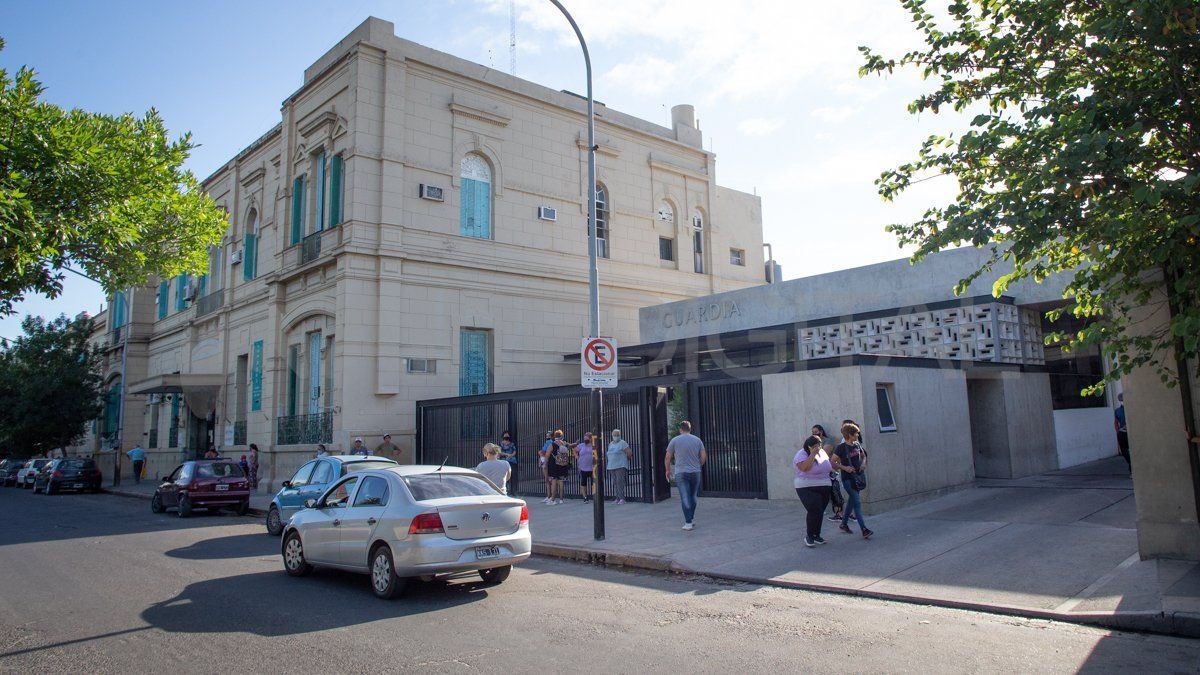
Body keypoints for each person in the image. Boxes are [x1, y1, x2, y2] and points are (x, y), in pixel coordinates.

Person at [832, 422, 873, 539]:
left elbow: (864, 456)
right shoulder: (841, 448)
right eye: (856, 433)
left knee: (851, 502)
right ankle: (864, 529)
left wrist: (863, 464)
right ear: (849, 435)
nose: (858, 435)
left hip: (857, 478)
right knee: (857, 503)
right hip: (847, 479)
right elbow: (832, 461)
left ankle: (843, 524)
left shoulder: (857, 444)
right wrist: (845, 468)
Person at [664, 420, 706, 531]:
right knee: (693, 496)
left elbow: (668, 457)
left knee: (684, 496)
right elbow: (703, 456)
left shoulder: (675, 440)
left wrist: (668, 470)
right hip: (695, 472)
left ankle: (688, 522)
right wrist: (698, 465)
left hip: (681, 473)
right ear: (690, 429)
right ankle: (691, 518)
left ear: (680, 429)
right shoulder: (697, 440)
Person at [794, 434, 834, 547]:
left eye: (820, 444)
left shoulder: (822, 453)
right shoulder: (801, 454)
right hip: (806, 486)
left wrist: (834, 471)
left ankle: (817, 535)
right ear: (809, 446)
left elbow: (827, 465)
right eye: (816, 445)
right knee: (814, 509)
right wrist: (812, 454)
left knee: (820, 510)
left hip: (824, 485)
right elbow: (804, 468)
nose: (819, 447)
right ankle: (809, 536)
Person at [812, 424, 843, 522]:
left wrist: (813, 451)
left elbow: (821, 454)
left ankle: (840, 513)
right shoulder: (815, 443)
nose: (814, 434)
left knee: (835, 492)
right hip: (820, 472)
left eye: (816, 432)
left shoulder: (828, 441)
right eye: (812, 432)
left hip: (830, 470)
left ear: (821, 431)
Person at [607, 429, 632, 504]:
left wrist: (626, 459)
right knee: (615, 482)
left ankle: (622, 498)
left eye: (617, 435)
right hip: (612, 466)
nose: (616, 436)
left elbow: (629, 452)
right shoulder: (611, 444)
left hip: (620, 465)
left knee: (619, 481)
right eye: (614, 435)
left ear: (620, 435)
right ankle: (617, 498)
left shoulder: (622, 443)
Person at [546, 430, 571, 505]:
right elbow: (571, 447)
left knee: (553, 482)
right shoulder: (564, 443)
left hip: (554, 465)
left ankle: (553, 500)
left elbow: (547, 455)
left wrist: (545, 463)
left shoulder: (552, 444)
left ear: (554, 436)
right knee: (561, 482)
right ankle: (561, 499)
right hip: (563, 465)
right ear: (562, 436)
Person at [573, 432, 596, 503]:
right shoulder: (581, 445)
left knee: (594, 483)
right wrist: (576, 457)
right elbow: (574, 450)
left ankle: (595, 496)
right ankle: (585, 497)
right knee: (583, 483)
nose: (585, 440)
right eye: (584, 438)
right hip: (582, 467)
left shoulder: (593, 446)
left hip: (592, 467)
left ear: (590, 438)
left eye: (586, 438)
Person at [1114, 393, 1131, 473]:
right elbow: (1116, 422)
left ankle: (1132, 470)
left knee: (1131, 451)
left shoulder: (1131, 409)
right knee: (1124, 452)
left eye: (1122, 399)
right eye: (1120, 400)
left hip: (1130, 433)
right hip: (1122, 433)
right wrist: (1118, 433)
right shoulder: (1117, 411)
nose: (1122, 401)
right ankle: (1131, 465)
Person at [499, 431, 518, 496]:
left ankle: (513, 491)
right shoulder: (501, 444)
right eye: (505, 436)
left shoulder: (512, 444)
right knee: (505, 476)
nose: (506, 437)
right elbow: (499, 452)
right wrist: (507, 454)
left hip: (512, 461)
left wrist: (511, 455)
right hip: (504, 461)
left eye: (507, 436)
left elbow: (514, 451)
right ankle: (506, 490)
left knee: (512, 476)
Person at [539, 432, 553, 504]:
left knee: (547, 480)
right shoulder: (551, 442)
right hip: (548, 461)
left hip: (546, 462)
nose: (547, 437)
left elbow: (544, 451)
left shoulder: (549, 442)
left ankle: (549, 496)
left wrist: (540, 453)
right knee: (548, 480)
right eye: (546, 435)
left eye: (548, 435)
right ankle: (549, 496)